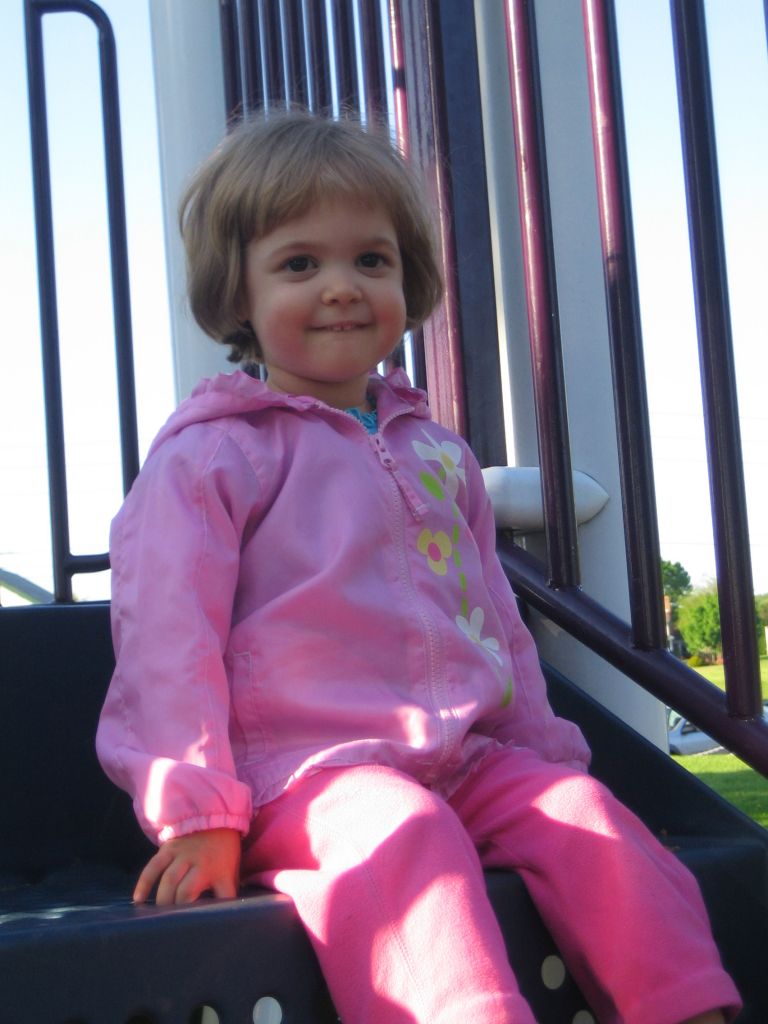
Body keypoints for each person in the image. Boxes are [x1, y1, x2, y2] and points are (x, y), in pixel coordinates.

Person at [96, 110, 740, 1024]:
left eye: (371, 260)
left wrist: (546, 753)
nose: (341, 289)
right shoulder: (214, 460)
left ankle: (686, 1009)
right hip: (306, 775)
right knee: (406, 836)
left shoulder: (437, 454)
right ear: (236, 292)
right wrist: (199, 808)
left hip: (468, 757)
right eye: (298, 264)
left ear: (409, 278)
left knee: (590, 821)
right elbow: (168, 639)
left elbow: (497, 624)